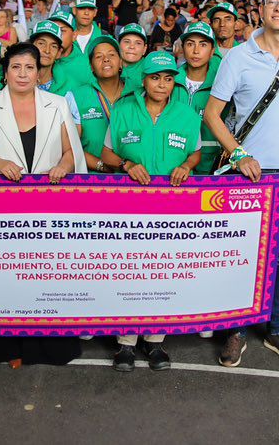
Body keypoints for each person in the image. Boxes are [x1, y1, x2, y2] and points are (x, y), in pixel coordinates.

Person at [203, 0, 279, 368]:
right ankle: (234, 330)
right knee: (241, 253)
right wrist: (239, 153)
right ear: (260, 10)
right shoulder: (237, 56)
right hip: (248, 173)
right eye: (272, 2)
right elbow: (212, 115)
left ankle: (276, 327)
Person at [101, 51, 201, 371]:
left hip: (171, 209)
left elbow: (196, 154)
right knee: (130, 271)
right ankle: (126, 343)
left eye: (168, 78)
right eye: (155, 77)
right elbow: (106, 152)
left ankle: (155, 342)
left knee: (161, 272)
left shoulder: (186, 114)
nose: (162, 84)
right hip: (129, 208)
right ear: (143, 80)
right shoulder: (123, 109)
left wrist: (186, 165)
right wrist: (127, 164)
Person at [0, 41, 84, 180]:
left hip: (49, 192)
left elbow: (71, 151)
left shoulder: (59, 104)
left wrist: (62, 168)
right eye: (16, 67)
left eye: (29, 67)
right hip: (1, 195)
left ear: (37, 74)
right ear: (5, 73)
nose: (22, 74)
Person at [71, 35, 127, 172]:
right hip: (92, 180)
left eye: (111, 55)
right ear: (91, 67)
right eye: (98, 56)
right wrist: (101, 165)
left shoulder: (137, 94)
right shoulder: (76, 96)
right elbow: (70, 147)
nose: (106, 59)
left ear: (121, 62)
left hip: (135, 180)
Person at [174, 22, 223, 173]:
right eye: (190, 44)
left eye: (203, 45)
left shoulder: (222, 85)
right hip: (173, 163)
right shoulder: (170, 81)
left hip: (210, 164)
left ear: (212, 51)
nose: (196, 51)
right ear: (183, 48)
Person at [46, 9, 92, 92]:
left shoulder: (86, 66)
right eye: (53, 30)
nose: (56, 35)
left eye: (62, 31)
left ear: (74, 35)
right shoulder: (38, 59)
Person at [117, 23, 148, 93]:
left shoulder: (149, 71)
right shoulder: (108, 67)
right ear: (118, 45)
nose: (132, 46)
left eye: (138, 43)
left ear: (144, 49)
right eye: (127, 42)